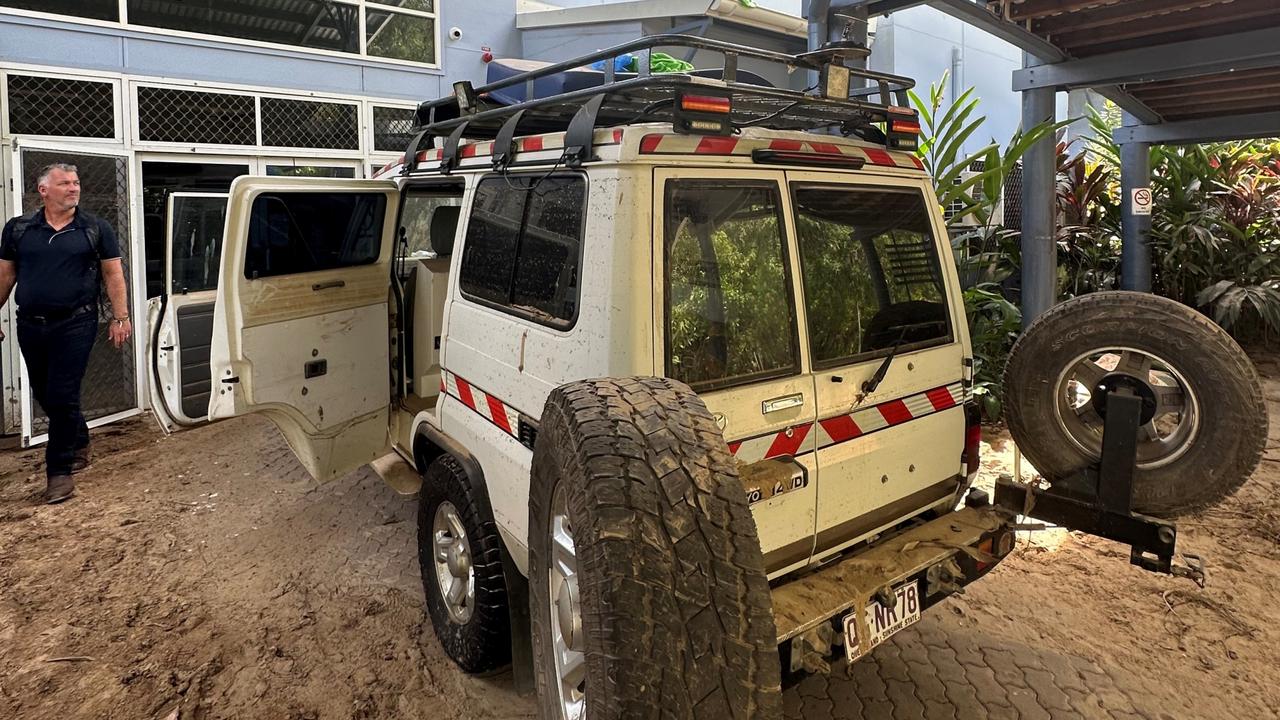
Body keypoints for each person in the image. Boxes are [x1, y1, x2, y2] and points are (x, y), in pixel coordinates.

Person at [0, 163, 132, 503]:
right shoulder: (18, 230)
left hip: (76, 322)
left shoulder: (94, 228)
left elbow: (113, 274)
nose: (73, 188)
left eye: (76, 183)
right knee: (44, 392)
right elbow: (6, 275)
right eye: (64, 184)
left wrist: (121, 317)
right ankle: (80, 437)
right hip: (31, 323)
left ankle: (59, 472)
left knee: (62, 393)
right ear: (44, 190)